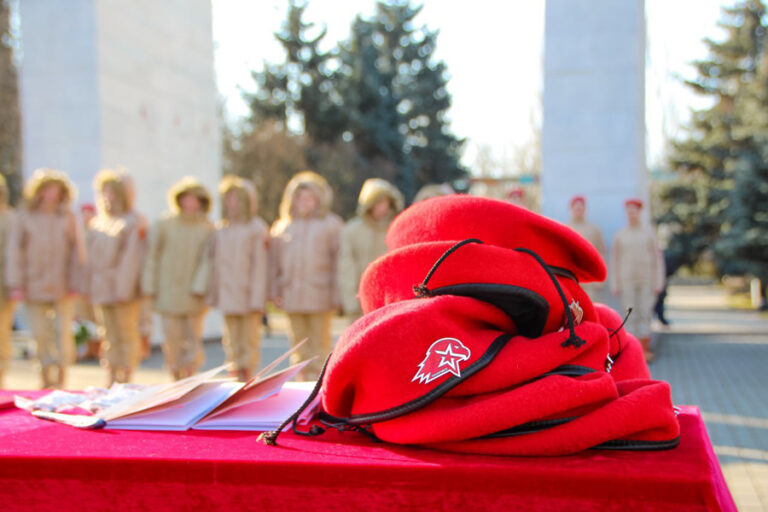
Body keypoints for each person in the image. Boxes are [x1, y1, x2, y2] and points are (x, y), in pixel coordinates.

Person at [7, 168, 85, 388]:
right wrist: (17, 284)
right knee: (41, 334)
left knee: (63, 334)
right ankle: (45, 376)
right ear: (38, 192)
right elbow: (15, 252)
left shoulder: (67, 217)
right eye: (47, 190)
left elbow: (76, 253)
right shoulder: (25, 217)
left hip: (63, 285)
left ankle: (61, 377)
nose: (51, 195)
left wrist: (75, 282)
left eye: (56, 191)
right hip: (34, 284)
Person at [270, 171, 342, 380]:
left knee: (320, 345)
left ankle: (320, 386)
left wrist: (337, 295)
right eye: (300, 197)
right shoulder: (282, 226)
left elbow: (339, 262)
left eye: (310, 198)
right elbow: (274, 264)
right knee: (297, 345)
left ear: (319, 200)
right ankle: (302, 385)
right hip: (291, 294)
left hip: (320, 295)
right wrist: (274, 291)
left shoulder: (331, 225)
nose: (304, 202)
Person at [141, 176, 213, 380]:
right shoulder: (164, 224)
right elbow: (152, 255)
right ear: (179, 200)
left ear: (201, 202)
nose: (190, 203)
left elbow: (207, 261)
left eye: (195, 199)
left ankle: (190, 377)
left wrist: (200, 287)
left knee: (192, 339)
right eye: (186, 198)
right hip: (168, 291)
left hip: (193, 295)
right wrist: (150, 286)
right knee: (171, 338)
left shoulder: (207, 228)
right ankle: (175, 375)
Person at [85, 169, 147, 385]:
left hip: (123, 291)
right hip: (102, 289)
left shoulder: (132, 221)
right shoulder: (97, 223)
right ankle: (111, 374)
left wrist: (123, 290)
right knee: (108, 334)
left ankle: (126, 376)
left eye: (112, 191)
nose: (107, 196)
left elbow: (131, 260)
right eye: (104, 191)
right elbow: (90, 260)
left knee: (126, 334)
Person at [208, 175, 269, 381]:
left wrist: (257, 298)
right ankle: (235, 376)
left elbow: (260, 266)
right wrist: (214, 293)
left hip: (248, 294)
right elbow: (215, 265)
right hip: (227, 294)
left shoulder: (256, 228)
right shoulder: (220, 229)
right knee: (231, 340)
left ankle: (249, 377)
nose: (232, 204)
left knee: (249, 340)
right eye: (228, 199)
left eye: (236, 199)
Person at [338, 178, 404, 321]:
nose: (382, 207)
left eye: (385, 202)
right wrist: (350, 301)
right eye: (378, 202)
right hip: (360, 301)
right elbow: (346, 267)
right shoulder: (352, 230)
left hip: (391, 301)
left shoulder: (397, 228)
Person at [611, 198, 665, 363]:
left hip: (647, 280)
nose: (632, 214)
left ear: (639, 212)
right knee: (630, 315)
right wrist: (615, 283)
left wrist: (659, 282)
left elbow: (657, 259)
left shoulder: (648, 233)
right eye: (629, 211)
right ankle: (631, 351)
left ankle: (644, 350)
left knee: (645, 314)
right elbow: (615, 260)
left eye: (634, 210)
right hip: (627, 280)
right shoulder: (621, 235)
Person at [567, 195, 607, 301]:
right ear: (571, 209)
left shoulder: (594, 230)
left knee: (591, 309)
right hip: (571, 278)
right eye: (576, 208)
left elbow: (601, 254)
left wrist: (600, 278)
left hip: (590, 279)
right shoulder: (566, 229)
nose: (578, 211)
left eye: (581, 208)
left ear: (585, 209)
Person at [0, 175, 16, 388]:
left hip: (3, 285)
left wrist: (14, 284)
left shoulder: (10, 218)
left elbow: (13, 255)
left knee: (2, 335)